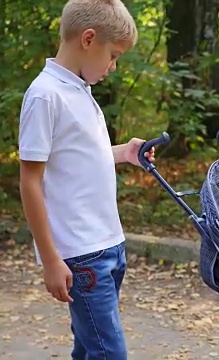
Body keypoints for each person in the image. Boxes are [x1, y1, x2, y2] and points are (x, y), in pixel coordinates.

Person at [18, 1, 152, 359]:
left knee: (90, 348)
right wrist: (50, 259)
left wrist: (123, 152)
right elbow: (30, 181)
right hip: (81, 255)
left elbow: (79, 160)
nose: (113, 66)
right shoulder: (45, 95)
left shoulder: (79, 90)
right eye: (114, 55)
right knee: (109, 353)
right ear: (89, 39)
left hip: (110, 244)